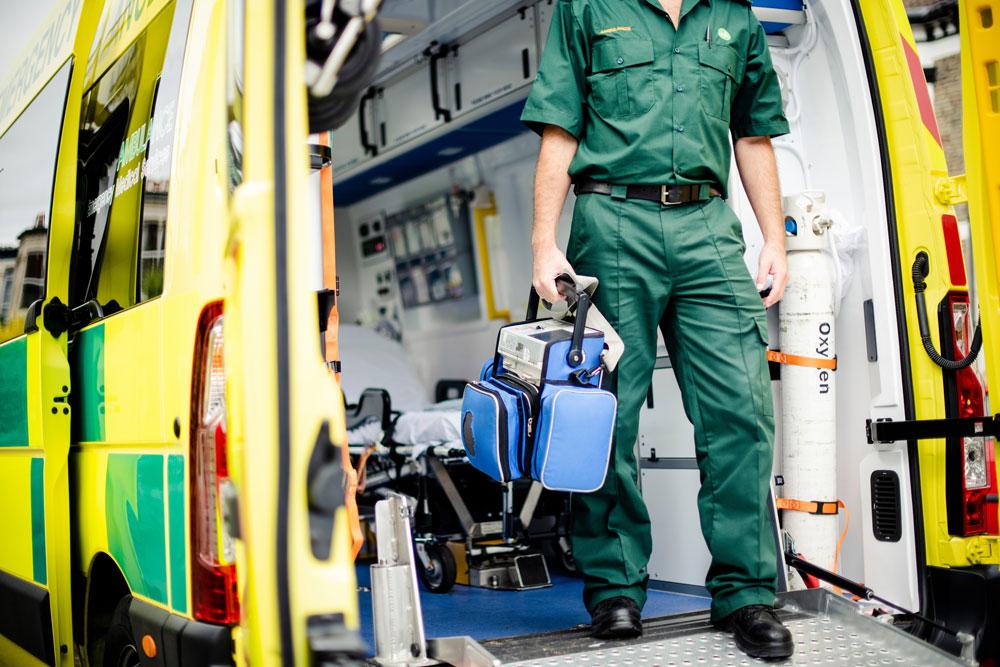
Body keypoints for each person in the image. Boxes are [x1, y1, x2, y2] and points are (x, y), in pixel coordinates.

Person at [520, 0, 793, 659]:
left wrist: (773, 240)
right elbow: (559, 126)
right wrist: (542, 241)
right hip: (613, 220)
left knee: (743, 410)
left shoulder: (734, 16)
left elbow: (752, 134)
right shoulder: (587, 8)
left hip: (707, 227)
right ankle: (615, 586)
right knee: (605, 413)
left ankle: (746, 590)